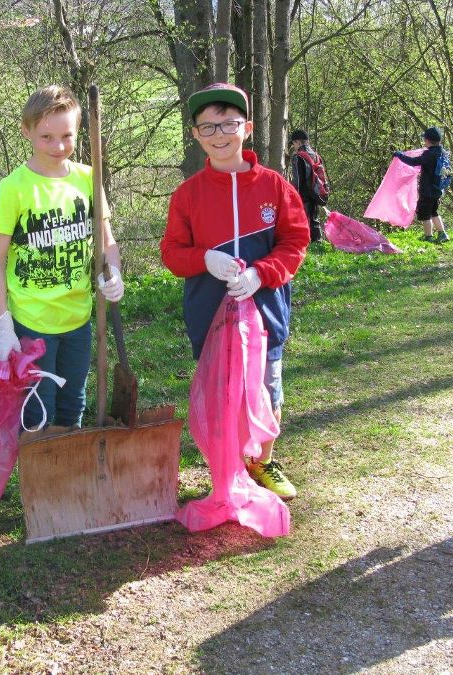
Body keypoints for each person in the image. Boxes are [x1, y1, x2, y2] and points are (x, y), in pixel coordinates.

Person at [160, 83, 310, 501]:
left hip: (266, 314)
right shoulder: (188, 195)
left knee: (267, 388)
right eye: (207, 127)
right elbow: (172, 252)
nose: (219, 135)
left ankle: (262, 459)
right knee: (222, 393)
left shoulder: (275, 187)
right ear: (195, 135)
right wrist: (204, 259)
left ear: (247, 128)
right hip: (212, 318)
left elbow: (295, 241)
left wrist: (263, 274)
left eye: (228, 123)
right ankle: (225, 465)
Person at [0, 85, 123, 429]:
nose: (58, 146)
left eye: (67, 136)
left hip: (78, 317)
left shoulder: (87, 178)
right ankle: (42, 479)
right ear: (26, 131)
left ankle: (70, 472)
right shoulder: (14, 188)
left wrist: (114, 271)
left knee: (73, 402)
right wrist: (3, 324)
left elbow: (107, 240)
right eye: (46, 136)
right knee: (37, 407)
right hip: (33, 322)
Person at [393, 126, 451, 242]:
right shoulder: (442, 152)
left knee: (425, 214)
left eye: (425, 139)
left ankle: (428, 237)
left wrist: (400, 155)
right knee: (434, 212)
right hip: (437, 190)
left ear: (429, 140)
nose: (424, 141)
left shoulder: (429, 155)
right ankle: (442, 234)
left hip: (427, 190)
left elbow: (414, 162)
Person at [289, 129, 327, 244]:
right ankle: (318, 242)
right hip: (316, 192)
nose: (294, 147)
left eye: (293, 144)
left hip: (304, 194)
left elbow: (299, 180)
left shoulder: (298, 157)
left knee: (304, 219)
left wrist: (296, 196)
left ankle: (306, 244)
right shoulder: (316, 155)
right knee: (314, 218)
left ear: (298, 142)